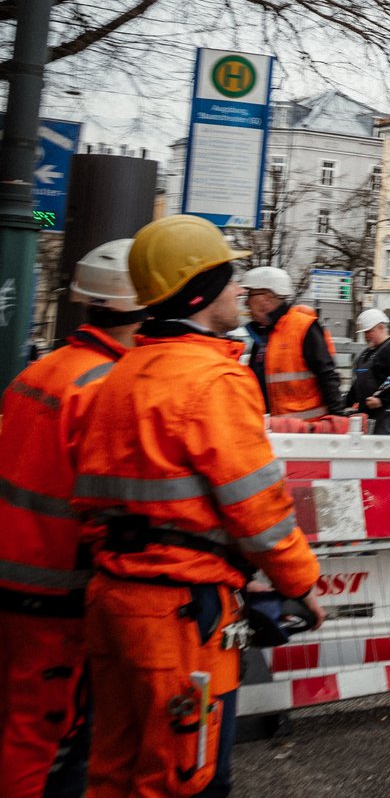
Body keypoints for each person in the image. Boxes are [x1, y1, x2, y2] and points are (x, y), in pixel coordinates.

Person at [69, 215, 322, 796]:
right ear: (202, 289)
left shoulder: (121, 372)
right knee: (182, 777)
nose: (239, 291)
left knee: (112, 772)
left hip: (112, 599)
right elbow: (257, 507)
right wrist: (302, 584)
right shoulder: (214, 380)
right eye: (230, 278)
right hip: (179, 613)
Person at [0, 240, 147, 798]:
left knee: (17, 722)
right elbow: (106, 500)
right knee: (45, 736)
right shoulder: (105, 387)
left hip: (15, 575)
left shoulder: (41, 371)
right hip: (59, 589)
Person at [241, 266, 348, 433]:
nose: (246, 302)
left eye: (250, 294)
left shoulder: (303, 328)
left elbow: (327, 374)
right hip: (273, 432)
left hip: (307, 434)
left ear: (268, 297)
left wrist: (338, 422)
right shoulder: (262, 335)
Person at [345, 309, 390, 435]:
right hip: (369, 416)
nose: (366, 336)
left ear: (381, 327)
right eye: (365, 332)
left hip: (389, 417)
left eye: (369, 331)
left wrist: (381, 399)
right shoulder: (366, 353)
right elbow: (359, 383)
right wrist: (345, 402)